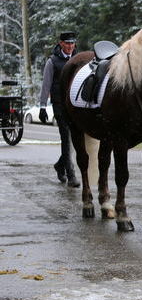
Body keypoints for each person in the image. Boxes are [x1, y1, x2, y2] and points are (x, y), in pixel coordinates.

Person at [39, 31, 80, 187]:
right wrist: (43, 106)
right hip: (60, 105)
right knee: (66, 139)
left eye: (72, 43)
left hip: (75, 105)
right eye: (67, 43)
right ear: (61, 43)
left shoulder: (79, 60)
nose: (70, 46)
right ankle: (71, 175)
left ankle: (59, 165)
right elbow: (46, 85)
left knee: (75, 141)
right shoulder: (53, 61)